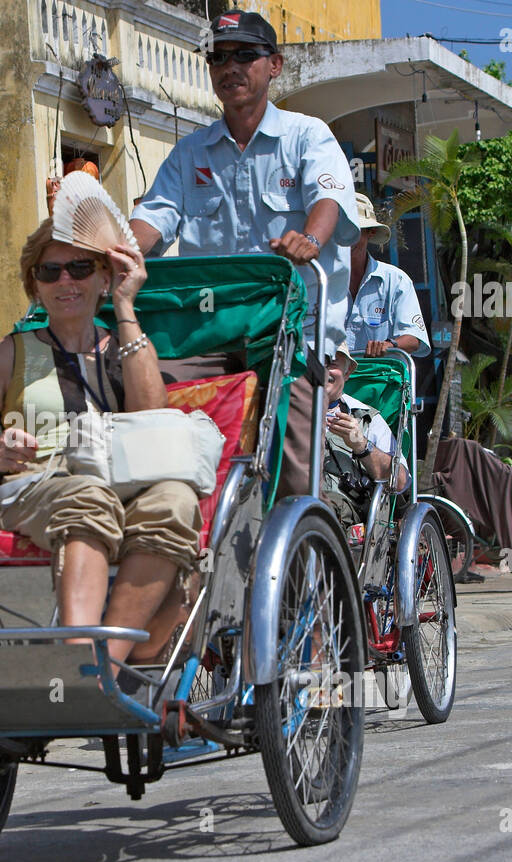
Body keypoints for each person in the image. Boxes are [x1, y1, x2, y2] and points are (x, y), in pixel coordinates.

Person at [0, 220, 201, 667]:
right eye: (49, 272)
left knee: (175, 500)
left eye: (80, 267)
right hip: (41, 481)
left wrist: (125, 306)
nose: (65, 281)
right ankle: (78, 659)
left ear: (104, 276)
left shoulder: (127, 346)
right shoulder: (12, 350)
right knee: (87, 495)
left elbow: (154, 419)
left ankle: (103, 669)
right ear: (34, 284)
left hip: (128, 479)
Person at [128, 8, 359, 497]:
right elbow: (153, 219)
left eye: (244, 55)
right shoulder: (189, 153)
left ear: (274, 65)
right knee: (139, 393)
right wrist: (113, 250)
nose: (229, 67)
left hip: (292, 336)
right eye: (218, 57)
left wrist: (310, 240)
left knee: (295, 464)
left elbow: (328, 200)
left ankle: (306, 558)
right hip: (210, 335)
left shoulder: (307, 135)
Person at [321, 344, 410, 529]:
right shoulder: (283, 409)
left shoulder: (366, 418)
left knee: (321, 508)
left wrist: (362, 445)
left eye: (332, 362)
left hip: (338, 510)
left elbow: (400, 482)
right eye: (317, 360)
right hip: (290, 497)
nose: (323, 369)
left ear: (348, 372)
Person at [346, 193, 431, 358]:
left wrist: (389, 345)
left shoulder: (396, 280)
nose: (347, 239)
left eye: (354, 231)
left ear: (370, 232)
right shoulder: (320, 280)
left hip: (379, 378)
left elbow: (414, 339)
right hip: (330, 378)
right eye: (342, 231)